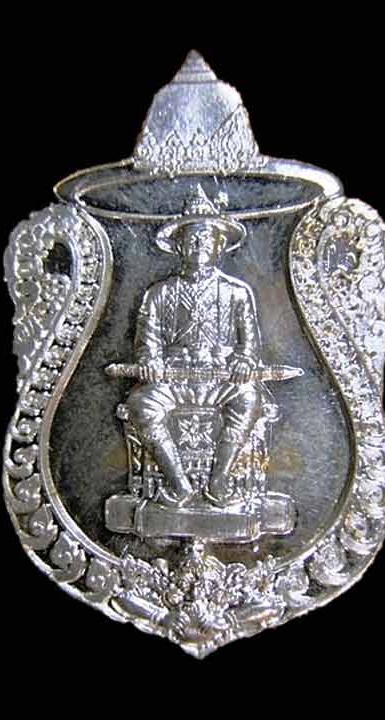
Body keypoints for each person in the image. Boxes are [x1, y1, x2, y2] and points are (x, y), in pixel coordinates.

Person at [126, 187, 263, 508]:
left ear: (219, 246)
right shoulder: (159, 293)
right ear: (179, 246)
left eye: (206, 238)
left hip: (222, 381)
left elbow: (251, 342)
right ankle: (179, 485)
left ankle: (219, 482)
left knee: (248, 398)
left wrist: (244, 360)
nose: (198, 244)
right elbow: (147, 340)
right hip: (174, 380)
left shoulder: (237, 292)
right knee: (140, 404)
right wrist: (150, 361)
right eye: (191, 239)